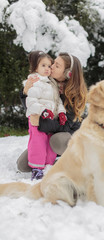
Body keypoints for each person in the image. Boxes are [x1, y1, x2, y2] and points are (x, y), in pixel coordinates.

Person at [17, 52, 88, 175]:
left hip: (69, 137)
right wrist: (26, 92)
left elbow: (65, 127)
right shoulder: (48, 83)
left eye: (57, 65)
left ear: (67, 74)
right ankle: (52, 158)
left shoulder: (74, 95)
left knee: (57, 141)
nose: (51, 66)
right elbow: (33, 107)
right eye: (53, 62)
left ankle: (78, 160)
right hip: (49, 133)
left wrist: (40, 122)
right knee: (23, 165)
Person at [23, 51, 67, 180]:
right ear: (36, 67)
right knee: (38, 142)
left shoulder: (51, 83)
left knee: (49, 143)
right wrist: (42, 110)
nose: (47, 68)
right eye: (43, 65)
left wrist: (62, 113)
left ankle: (48, 166)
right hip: (37, 118)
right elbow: (30, 102)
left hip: (50, 119)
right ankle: (37, 168)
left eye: (49, 66)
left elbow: (57, 100)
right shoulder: (35, 81)